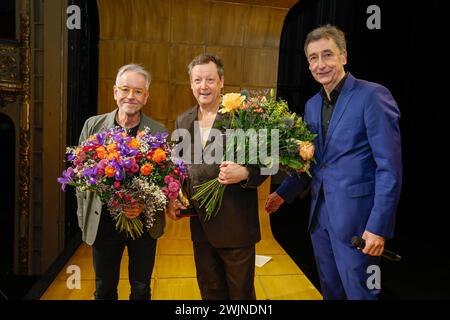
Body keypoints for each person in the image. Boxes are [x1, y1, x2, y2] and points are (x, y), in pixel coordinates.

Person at [265, 25, 402, 300]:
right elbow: (315, 162)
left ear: (344, 56)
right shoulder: (312, 105)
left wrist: (378, 227)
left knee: (361, 294)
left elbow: (390, 168)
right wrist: (283, 193)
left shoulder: (372, 96)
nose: (320, 64)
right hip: (320, 219)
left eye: (327, 55)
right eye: (313, 58)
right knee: (330, 291)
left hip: (358, 222)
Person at [167, 53, 267, 300]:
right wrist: (174, 197)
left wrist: (244, 172)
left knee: (241, 297)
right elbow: (179, 169)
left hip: (236, 228)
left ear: (222, 81)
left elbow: (269, 161)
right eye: (198, 80)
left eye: (210, 79)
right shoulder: (183, 120)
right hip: (200, 228)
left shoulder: (244, 117)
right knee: (210, 293)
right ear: (191, 84)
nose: (204, 86)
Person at [76, 64, 166, 300]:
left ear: (146, 97)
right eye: (125, 89)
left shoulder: (159, 131)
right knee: (104, 288)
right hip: (103, 222)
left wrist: (143, 205)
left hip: (143, 224)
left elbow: (166, 180)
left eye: (138, 91)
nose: (131, 96)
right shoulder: (92, 126)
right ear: (115, 92)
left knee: (141, 289)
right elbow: (80, 173)